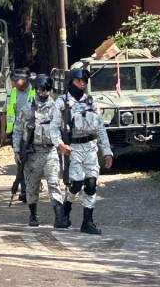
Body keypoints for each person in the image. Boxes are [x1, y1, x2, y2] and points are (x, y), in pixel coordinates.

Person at [49, 68, 114, 235]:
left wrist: (107, 151)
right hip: (74, 148)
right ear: (71, 81)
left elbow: (100, 128)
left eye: (85, 80)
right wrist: (60, 145)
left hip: (91, 148)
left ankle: (87, 221)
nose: (82, 83)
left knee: (91, 184)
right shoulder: (62, 102)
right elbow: (54, 128)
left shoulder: (92, 102)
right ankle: (67, 207)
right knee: (76, 184)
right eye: (79, 80)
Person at [12, 74, 64, 228]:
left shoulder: (57, 109)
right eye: (41, 89)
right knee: (32, 186)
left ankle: (58, 217)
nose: (43, 92)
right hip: (32, 153)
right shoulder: (27, 109)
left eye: (46, 89)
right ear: (36, 90)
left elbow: (64, 129)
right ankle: (33, 214)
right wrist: (16, 150)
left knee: (54, 183)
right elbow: (17, 131)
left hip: (50, 152)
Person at [3, 68, 36, 202]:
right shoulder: (11, 93)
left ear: (24, 80)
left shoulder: (36, 90)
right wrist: (5, 132)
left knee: (34, 163)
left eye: (16, 80)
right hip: (18, 133)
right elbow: (5, 112)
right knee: (21, 162)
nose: (13, 83)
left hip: (35, 133)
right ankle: (24, 191)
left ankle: (33, 187)